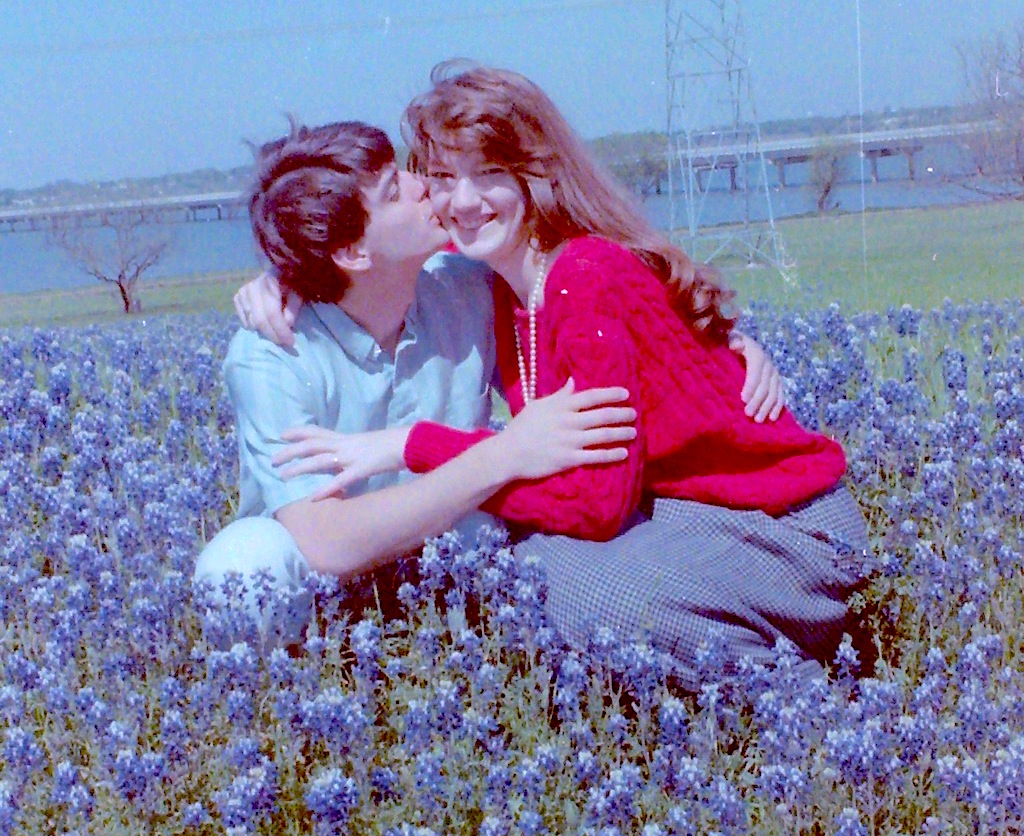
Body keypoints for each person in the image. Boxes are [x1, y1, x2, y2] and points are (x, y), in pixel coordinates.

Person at [250, 63, 868, 688]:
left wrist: (414, 446)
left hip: (788, 529)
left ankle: (808, 704)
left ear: (534, 173)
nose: (460, 201)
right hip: (688, 512)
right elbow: (354, 250)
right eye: (440, 176)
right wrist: (289, 277)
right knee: (538, 566)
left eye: (489, 172)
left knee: (577, 590)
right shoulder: (492, 277)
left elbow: (597, 507)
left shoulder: (581, 277)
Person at [193, 118, 640, 646]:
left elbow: (579, 265)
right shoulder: (271, 353)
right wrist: (504, 454)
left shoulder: (467, 286)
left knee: (506, 532)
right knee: (239, 569)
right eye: (394, 191)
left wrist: (714, 332)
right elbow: (325, 541)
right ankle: (280, 705)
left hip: (450, 552)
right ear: (352, 254)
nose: (422, 183)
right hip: (324, 582)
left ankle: (483, 664)